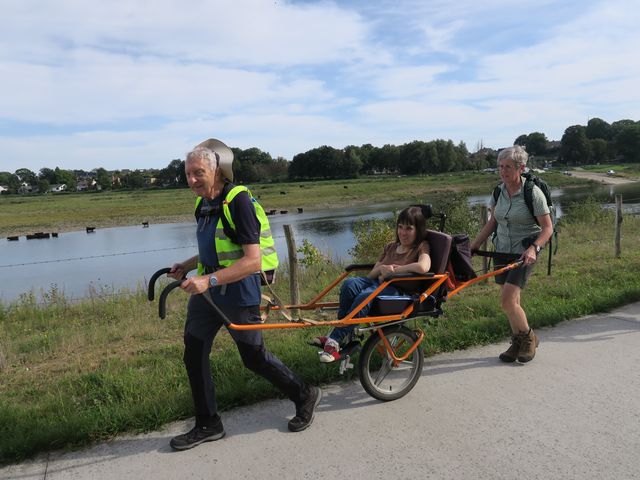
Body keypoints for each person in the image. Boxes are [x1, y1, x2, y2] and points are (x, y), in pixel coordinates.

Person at [168, 139, 321, 451]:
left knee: (253, 357)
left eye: (198, 173)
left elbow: (251, 261)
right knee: (193, 354)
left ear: (218, 171)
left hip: (238, 289)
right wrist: (186, 265)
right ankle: (208, 423)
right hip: (209, 292)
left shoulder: (238, 200)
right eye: (188, 174)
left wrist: (206, 280)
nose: (192, 180)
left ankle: (304, 394)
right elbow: (216, 250)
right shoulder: (203, 204)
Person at [315, 206, 431, 362]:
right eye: (400, 227)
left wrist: (395, 271)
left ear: (418, 230)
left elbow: (423, 267)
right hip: (377, 283)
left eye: (409, 228)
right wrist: (383, 268)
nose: (403, 232)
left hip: (398, 290)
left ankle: (334, 339)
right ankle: (341, 337)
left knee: (365, 296)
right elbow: (372, 274)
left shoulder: (421, 246)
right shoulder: (390, 247)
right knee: (349, 284)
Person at [470, 145, 553, 363]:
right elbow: (493, 221)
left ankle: (528, 338)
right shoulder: (498, 191)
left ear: (520, 167)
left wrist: (533, 249)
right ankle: (517, 342)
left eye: (508, 167)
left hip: (524, 253)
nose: (503, 171)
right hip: (502, 250)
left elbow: (547, 228)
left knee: (507, 300)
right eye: (500, 166)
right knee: (513, 300)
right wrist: (474, 245)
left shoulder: (532, 193)